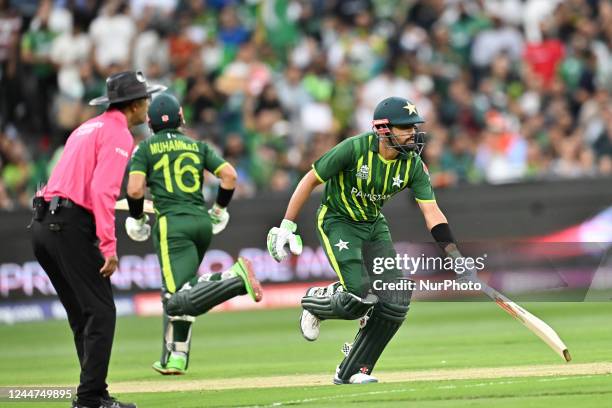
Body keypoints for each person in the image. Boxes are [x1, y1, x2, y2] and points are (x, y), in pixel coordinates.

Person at [267, 96, 474, 384]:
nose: (412, 133)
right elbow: (310, 179)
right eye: (405, 128)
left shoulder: (413, 165)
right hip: (338, 222)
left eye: (414, 127)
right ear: (383, 130)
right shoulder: (354, 148)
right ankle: (315, 302)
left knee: (397, 297)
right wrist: (286, 225)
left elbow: (432, 211)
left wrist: (453, 253)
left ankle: (353, 370)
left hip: (373, 225)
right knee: (360, 297)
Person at [31, 71, 166, 408]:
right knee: (102, 312)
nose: (148, 105)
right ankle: (91, 397)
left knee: (83, 314)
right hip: (68, 225)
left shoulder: (87, 127)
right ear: (134, 105)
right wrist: (109, 246)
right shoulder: (119, 134)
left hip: (43, 224)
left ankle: (93, 393)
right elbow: (102, 191)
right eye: (146, 99)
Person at [125, 92, 263, 375]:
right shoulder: (196, 145)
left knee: (174, 298)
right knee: (186, 290)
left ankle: (233, 277)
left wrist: (137, 218)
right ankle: (176, 357)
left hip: (172, 226)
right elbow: (230, 176)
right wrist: (219, 210)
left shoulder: (145, 148)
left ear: (149, 124)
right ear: (181, 118)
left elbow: (135, 189)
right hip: (201, 222)